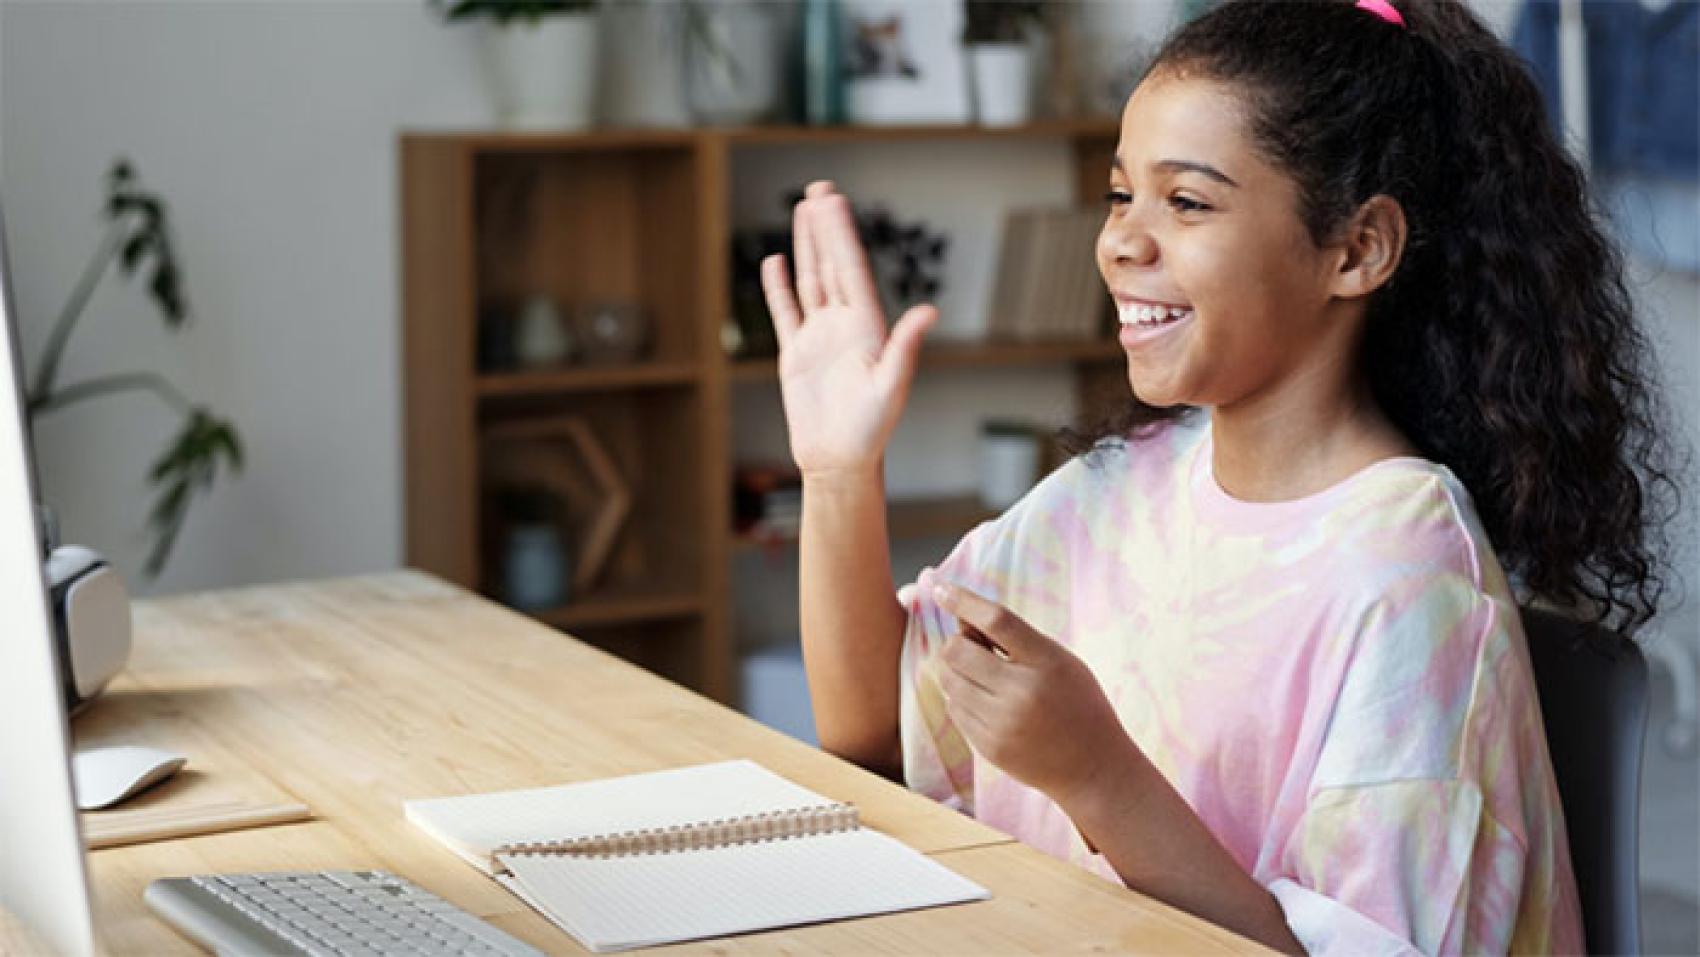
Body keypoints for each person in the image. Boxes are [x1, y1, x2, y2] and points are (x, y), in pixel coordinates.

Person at [757, 0, 1676, 952]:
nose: (1121, 241)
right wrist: (838, 472)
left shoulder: (1410, 585)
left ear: (1357, 249)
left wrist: (1097, 776)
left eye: (1187, 202)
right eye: (1121, 196)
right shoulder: (1112, 494)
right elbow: (872, 736)